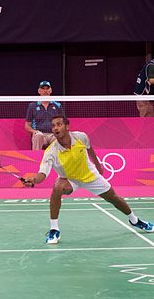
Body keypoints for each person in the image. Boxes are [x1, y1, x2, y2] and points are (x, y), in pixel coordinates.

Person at [23, 115, 154, 244]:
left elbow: (90, 149)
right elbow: (42, 174)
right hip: (70, 179)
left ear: (67, 127)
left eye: (59, 124)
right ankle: (54, 229)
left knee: (114, 198)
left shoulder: (81, 137)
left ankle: (134, 220)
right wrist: (34, 179)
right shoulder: (51, 151)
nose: (55, 128)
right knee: (57, 187)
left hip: (89, 176)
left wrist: (98, 165)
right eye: (53, 126)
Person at [25, 81, 65, 150]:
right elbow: (27, 125)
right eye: (43, 89)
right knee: (38, 135)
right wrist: (34, 131)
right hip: (40, 134)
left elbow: (63, 122)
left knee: (59, 136)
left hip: (53, 134)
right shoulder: (33, 106)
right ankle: (36, 158)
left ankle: (58, 160)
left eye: (47, 89)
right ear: (39, 91)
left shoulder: (57, 105)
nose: (45, 91)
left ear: (50, 90)